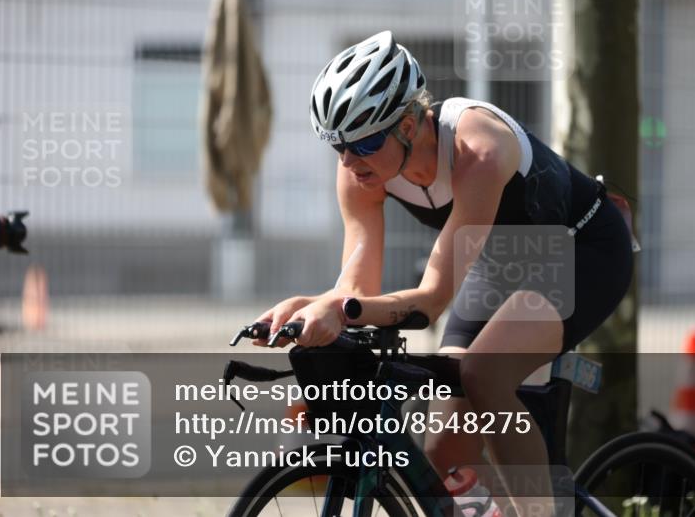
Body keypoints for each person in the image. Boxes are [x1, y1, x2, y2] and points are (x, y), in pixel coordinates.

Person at [255, 31, 634, 517]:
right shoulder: (359, 170)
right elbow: (356, 289)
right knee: (438, 463)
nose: (349, 161)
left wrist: (339, 309)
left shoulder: (479, 150)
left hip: (582, 250)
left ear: (410, 124)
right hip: (499, 263)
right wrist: (311, 304)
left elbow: (431, 300)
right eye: (338, 147)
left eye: (365, 142)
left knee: (484, 372)